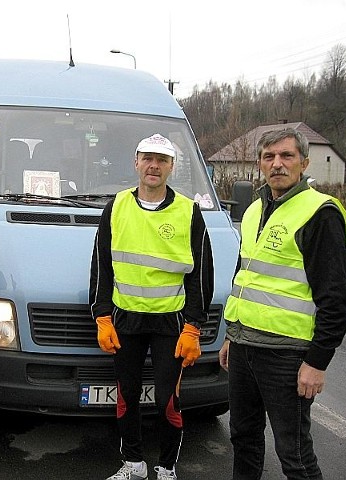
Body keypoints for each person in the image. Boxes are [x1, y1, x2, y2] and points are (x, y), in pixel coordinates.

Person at [220, 128, 346, 480]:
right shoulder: (254, 210)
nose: (277, 164)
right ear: (260, 164)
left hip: (287, 355)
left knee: (293, 454)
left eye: (286, 156)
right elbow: (245, 279)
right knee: (243, 439)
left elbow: (335, 300)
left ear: (304, 163)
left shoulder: (319, 213)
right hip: (245, 346)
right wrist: (232, 335)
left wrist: (316, 362)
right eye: (269, 157)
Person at [90, 133, 214, 480]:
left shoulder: (189, 211)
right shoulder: (116, 207)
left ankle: (167, 466)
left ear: (172, 166)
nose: (153, 166)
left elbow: (202, 272)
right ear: (136, 162)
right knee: (127, 395)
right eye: (147, 158)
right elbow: (101, 266)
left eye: (161, 160)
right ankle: (132, 463)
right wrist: (101, 316)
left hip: (170, 324)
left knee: (166, 401)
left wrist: (193, 326)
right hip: (125, 319)